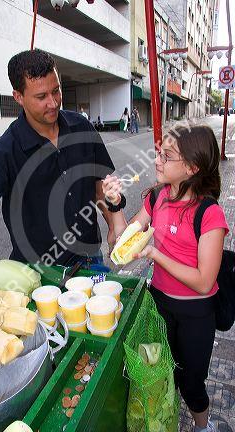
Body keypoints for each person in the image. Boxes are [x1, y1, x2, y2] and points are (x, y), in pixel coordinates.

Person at [0, 49, 116, 326]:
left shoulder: (82, 127)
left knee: (99, 330)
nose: (52, 103)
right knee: (50, 347)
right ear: (18, 97)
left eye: (56, 91)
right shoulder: (3, 152)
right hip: (38, 276)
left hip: (90, 262)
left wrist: (114, 225)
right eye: (41, 97)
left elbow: (101, 184)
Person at [102, 125, 228, 432]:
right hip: (158, 306)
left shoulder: (209, 214)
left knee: (192, 382)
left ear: (191, 167)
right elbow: (121, 244)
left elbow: (203, 280)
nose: (157, 160)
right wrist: (115, 205)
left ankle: (203, 426)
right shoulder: (156, 198)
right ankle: (163, 419)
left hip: (196, 313)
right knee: (159, 373)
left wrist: (156, 255)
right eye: (159, 153)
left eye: (166, 156)